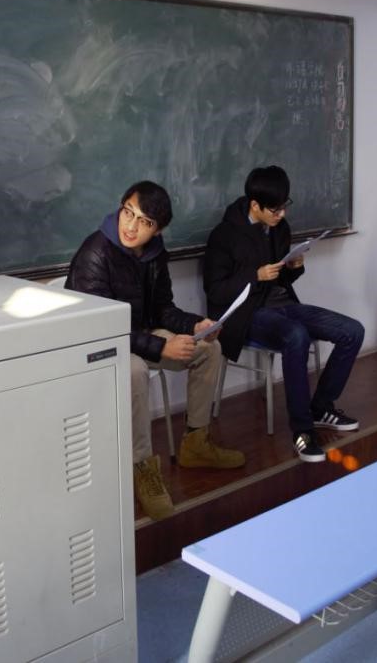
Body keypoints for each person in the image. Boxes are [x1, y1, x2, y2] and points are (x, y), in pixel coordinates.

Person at [66, 181, 245, 520]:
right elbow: (101, 330)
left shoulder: (154, 254)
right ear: (121, 207)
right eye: (128, 213)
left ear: (157, 229)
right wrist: (162, 346)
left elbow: (163, 308)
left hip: (139, 335)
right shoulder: (95, 254)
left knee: (209, 349)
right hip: (97, 346)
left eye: (145, 222)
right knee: (135, 370)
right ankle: (142, 467)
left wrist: (194, 325)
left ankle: (196, 443)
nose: (131, 226)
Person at [203, 166, 364, 464]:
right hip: (246, 315)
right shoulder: (223, 236)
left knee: (352, 331)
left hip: (283, 305)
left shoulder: (279, 228)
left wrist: (294, 267)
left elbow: (281, 279)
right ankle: (302, 430)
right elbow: (215, 291)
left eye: (284, 206)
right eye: (275, 210)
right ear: (255, 205)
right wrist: (255, 275)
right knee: (296, 336)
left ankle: (321, 407)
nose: (282, 214)